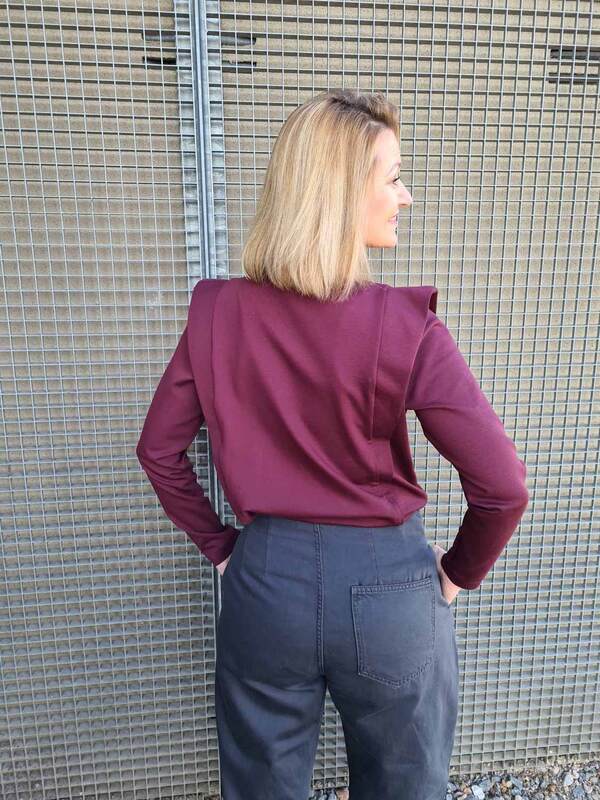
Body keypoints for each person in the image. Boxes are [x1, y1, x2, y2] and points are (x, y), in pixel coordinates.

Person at [136, 89, 529, 800]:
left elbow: (159, 451)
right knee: (405, 785)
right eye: (394, 178)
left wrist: (222, 548)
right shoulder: (407, 325)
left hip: (266, 583)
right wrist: (453, 578)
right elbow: (503, 487)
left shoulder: (217, 312)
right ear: (343, 194)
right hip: (390, 590)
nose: (406, 196)